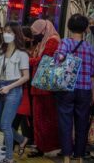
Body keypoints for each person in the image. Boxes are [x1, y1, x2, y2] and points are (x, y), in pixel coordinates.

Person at [55, 14, 94, 163]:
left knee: (65, 122)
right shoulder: (89, 47)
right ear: (85, 29)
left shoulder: (65, 43)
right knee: (82, 123)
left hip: (67, 89)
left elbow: (58, 61)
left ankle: (66, 156)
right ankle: (78, 156)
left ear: (69, 27)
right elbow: (93, 73)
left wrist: (61, 59)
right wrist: (93, 95)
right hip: (85, 90)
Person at [0, 21, 29, 163]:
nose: (6, 34)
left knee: (5, 125)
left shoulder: (22, 54)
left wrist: (9, 87)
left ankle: (9, 158)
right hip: (1, 87)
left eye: (10, 32)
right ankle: (22, 139)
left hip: (13, 90)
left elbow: (26, 77)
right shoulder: (0, 49)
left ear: (16, 34)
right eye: (5, 31)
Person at [28, 19, 60, 158]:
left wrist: (27, 60)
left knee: (46, 117)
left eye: (36, 33)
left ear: (44, 30)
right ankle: (41, 145)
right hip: (38, 84)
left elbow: (44, 60)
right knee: (39, 117)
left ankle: (50, 146)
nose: (35, 35)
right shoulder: (43, 41)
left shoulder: (52, 41)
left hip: (46, 86)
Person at [12, 26, 35, 147]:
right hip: (22, 87)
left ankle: (18, 140)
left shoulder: (27, 52)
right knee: (20, 115)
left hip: (24, 88)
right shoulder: (23, 51)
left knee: (19, 115)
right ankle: (20, 139)